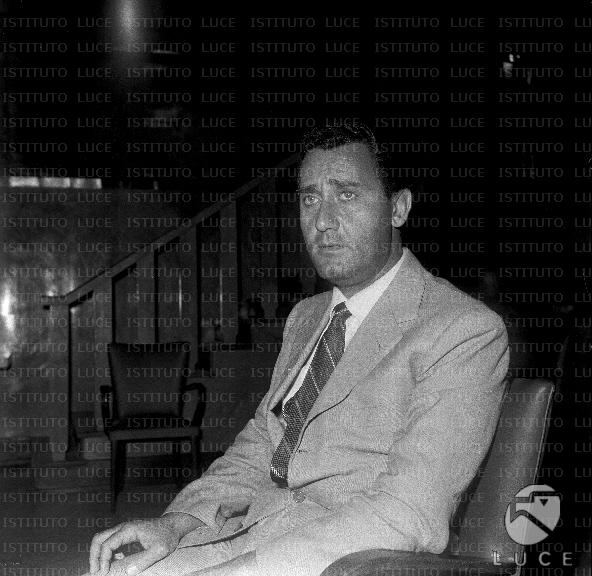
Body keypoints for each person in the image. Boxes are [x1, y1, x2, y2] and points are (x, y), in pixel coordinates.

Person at [86, 123, 509, 576]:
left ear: (398, 208)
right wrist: (176, 523)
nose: (322, 220)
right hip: (259, 529)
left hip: (350, 560)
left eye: (346, 194)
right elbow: (262, 444)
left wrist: (244, 570)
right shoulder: (307, 317)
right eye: (310, 199)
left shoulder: (461, 330)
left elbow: (408, 512)